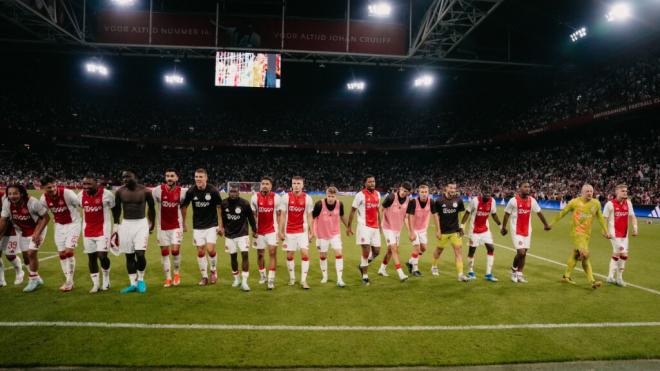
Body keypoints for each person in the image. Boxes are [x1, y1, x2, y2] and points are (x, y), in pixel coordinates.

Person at [551, 184, 609, 289]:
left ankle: (566, 276)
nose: (589, 193)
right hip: (577, 233)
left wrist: (606, 231)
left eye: (591, 191)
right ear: (581, 192)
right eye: (587, 191)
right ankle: (592, 281)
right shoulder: (574, 202)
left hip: (587, 234)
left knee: (575, 254)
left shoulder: (596, 203)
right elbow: (563, 212)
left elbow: (601, 218)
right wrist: (551, 224)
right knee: (585, 255)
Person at [112, 170, 156, 294]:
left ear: (134, 177)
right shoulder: (120, 192)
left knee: (140, 254)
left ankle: (141, 279)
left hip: (141, 224)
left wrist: (151, 224)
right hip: (126, 225)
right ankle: (133, 284)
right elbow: (116, 209)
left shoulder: (145, 191)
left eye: (128, 177)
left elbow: (152, 208)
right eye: (123, 177)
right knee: (129, 255)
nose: (125, 179)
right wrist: (116, 225)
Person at [0, 184, 50, 292]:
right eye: (10, 194)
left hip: (38, 228)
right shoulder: (7, 203)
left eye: (15, 193)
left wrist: (37, 233)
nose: (12, 196)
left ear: (21, 193)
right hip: (22, 231)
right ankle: (37, 278)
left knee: (31, 253)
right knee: (26, 256)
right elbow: (3, 220)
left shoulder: (32, 202)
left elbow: (46, 217)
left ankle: (33, 280)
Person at [501, 182, 551, 283]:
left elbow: (539, 212)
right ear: (520, 188)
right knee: (521, 252)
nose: (528, 189)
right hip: (516, 230)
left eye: (529, 187)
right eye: (525, 187)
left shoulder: (532, 200)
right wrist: (504, 227)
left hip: (527, 230)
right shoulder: (513, 201)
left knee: (523, 254)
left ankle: (518, 273)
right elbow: (506, 214)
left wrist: (546, 224)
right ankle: (515, 272)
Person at [181, 168, 224, 286]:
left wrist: (221, 225)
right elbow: (184, 206)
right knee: (200, 252)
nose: (198, 179)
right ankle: (204, 277)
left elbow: (219, 207)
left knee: (210, 250)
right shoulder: (191, 191)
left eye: (201, 177)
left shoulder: (213, 191)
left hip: (211, 225)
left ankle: (213, 271)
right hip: (198, 226)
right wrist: (183, 223)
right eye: (196, 177)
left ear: (206, 178)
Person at [39, 176, 81, 292]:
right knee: (62, 254)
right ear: (43, 188)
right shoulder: (43, 199)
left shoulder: (67, 193)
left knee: (68, 252)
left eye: (53, 186)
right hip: (58, 226)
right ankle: (69, 281)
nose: (52, 189)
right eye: (48, 188)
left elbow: (80, 204)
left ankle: (69, 281)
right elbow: (42, 215)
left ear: (55, 184)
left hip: (73, 224)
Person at [79, 175, 115, 293]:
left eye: (89, 184)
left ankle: (106, 278)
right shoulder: (80, 196)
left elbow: (114, 208)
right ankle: (95, 284)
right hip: (87, 230)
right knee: (91, 258)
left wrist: (116, 225)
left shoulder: (107, 194)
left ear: (96, 183)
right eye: (84, 184)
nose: (86, 187)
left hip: (103, 229)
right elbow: (79, 207)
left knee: (102, 256)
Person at [152, 169, 187, 287]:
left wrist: (185, 223)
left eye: (172, 176)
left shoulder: (182, 192)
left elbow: (184, 207)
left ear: (177, 178)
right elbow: (151, 207)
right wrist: (150, 223)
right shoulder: (157, 191)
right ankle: (168, 278)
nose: (169, 178)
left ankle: (176, 273)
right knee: (164, 252)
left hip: (176, 225)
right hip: (162, 226)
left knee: (175, 251)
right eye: (167, 176)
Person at [278, 176, 314, 289]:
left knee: (305, 254)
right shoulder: (285, 197)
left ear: (303, 185)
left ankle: (303, 281)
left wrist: (311, 230)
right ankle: (292, 278)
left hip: (302, 231)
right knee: (290, 256)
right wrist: (280, 231)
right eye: (294, 183)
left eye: (298, 183)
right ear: (291, 184)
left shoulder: (307, 198)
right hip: (289, 231)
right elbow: (282, 215)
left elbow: (309, 216)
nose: (296, 185)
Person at [347, 175, 382, 286]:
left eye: (373, 181)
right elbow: (352, 211)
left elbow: (378, 211)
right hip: (364, 227)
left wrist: (380, 225)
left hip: (375, 227)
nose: (372, 183)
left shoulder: (378, 194)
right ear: (365, 183)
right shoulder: (360, 195)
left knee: (376, 252)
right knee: (366, 251)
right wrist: (349, 226)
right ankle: (365, 277)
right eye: (370, 182)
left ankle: (362, 265)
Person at [460, 188, 501, 281]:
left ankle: (488, 274)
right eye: (485, 192)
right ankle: (470, 271)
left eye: (489, 192)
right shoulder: (475, 201)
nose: (487, 194)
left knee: (491, 248)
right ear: (481, 192)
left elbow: (494, 214)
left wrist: (500, 226)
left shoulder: (492, 201)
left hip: (485, 229)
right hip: (473, 230)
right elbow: (467, 213)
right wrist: (461, 226)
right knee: (472, 250)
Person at [221, 184, 256, 292]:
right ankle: (236, 279)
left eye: (235, 192)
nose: (233, 193)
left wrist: (254, 230)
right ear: (228, 192)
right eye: (231, 191)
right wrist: (221, 228)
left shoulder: (244, 203)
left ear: (239, 192)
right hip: (229, 235)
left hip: (243, 234)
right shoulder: (224, 203)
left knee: (245, 255)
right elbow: (221, 217)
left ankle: (245, 282)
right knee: (233, 257)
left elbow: (251, 218)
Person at [431, 182, 468, 282]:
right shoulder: (439, 201)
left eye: (454, 188)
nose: (452, 190)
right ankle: (434, 266)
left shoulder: (459, 200)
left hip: (455, 231)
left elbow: (460, 215)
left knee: (458, 251)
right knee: (439, 250)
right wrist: (437, 230)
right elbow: (436, 217)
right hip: (443, 231)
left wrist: (461, 227)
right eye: (451, 188)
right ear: (446, 188)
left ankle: (460, 274)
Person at [312, 186, 349, 287]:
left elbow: (342, 216)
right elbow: (312, 217)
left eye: (332, 196)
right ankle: (325, 276)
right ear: (326, 195)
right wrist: (311, 232)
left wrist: (348, 227)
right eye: (329, 196)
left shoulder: (339, 204)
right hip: (321, 235)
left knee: (339, 253)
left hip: (335, 234)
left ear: (336, 196)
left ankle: (340, 279)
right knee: (323, 256)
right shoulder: (319, 204)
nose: (330, 198)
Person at [603, 184, 638, 287]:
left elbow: (633, 217)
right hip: (613, 234)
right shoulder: (610, 204)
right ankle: (619, 279)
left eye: (626, 191)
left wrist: (635, 228)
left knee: (617, 254)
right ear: (616, 192)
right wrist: (605, 231)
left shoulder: (628, 203)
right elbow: (604, 219)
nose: (625, 193)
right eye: (623, 191)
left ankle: (610, 277)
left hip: (624, 234)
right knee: (623, 254)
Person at [250, 176, 281, 290]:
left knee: (272, 253)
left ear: (271, 186)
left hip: (272, 230)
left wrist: (280, 230)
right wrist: (254, 229)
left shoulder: (277, 198)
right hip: (259, 231)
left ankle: (271, 280)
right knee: (260, 254)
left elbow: (278, 215)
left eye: (267, 183)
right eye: (263, 183)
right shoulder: (254, 198)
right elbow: (253, 216)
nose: (264, 185)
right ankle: (263, 275)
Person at [378, 182, 412, 281]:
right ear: (399, 188)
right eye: (402, 190)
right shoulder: (391, 197)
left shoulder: (408, 201)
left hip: (397, 229)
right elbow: (381, 209)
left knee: (390, 251)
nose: (403, 192)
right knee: (394, 249)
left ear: (408, 193)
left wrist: (410, 231)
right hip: (387, 227)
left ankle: (382, 269)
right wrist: (380, 223)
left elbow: (406, 217)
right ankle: (401, 274)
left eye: (405, 191)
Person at [406, 184, 437, 277]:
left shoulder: (431, 202)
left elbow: (433, 214)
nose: (424, 194)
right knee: (417, 248)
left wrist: (427, 226)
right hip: (414, 229)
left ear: (428, 192)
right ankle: (415, 269)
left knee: (423, 248)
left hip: (423, 229)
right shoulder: (413, 202)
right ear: (418, 192)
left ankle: (410, 261)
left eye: (425, 192)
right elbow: (408, 217)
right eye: (422, 192)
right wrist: (410, 231)